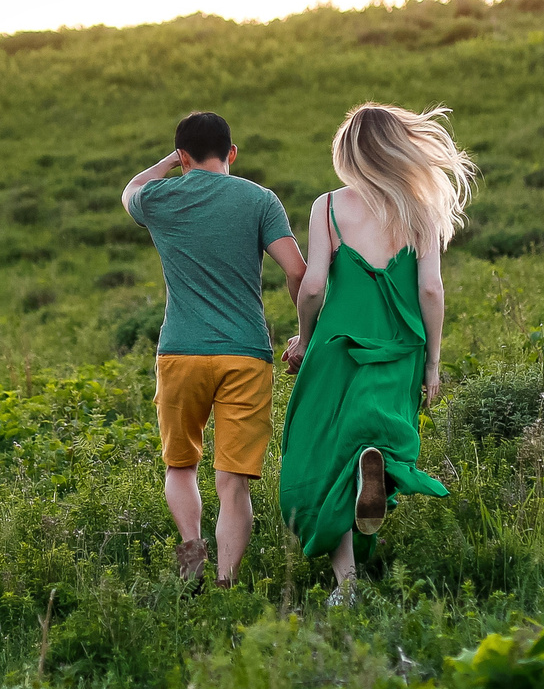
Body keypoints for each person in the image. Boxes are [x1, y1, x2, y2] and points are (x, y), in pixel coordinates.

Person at [278, 102, 474, 604]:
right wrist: (432, 361)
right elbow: (431, 290)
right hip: (399, 348)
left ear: (349, 153)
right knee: (379, 439)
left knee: (322, 452)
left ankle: (347, 584)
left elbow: (314, 285)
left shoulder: (327, 206)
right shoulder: (421, 209)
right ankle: (377, 467)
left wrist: (303, 337)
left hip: (337, 347)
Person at [122, 112, 306, 587]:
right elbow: (297, 271)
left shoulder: (160, 197)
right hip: (245, 354)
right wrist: (306, 336)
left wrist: (172, 161)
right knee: (233, 481)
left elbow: (130, 191)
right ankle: (226, 583)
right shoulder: (260, 199)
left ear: (182, 156)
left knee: (180, 465)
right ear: (233, 153)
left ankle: (192, 556)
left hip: (179, 352)